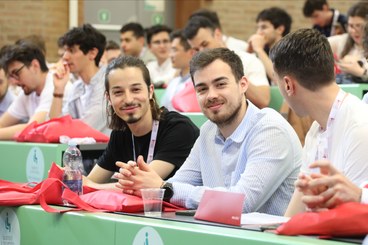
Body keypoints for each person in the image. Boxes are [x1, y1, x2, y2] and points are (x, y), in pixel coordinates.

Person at [116, 48, 302, 215]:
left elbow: (241, 204)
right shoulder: (208, 131)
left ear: (243, 84)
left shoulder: (270, 129)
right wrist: (141, 180)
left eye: (220, 84)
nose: (211, 95)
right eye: (202, 89)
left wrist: (163, 187)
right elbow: (180, 182)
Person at [269, 28, 368, 217]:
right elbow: (294, 214)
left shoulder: (360, 127)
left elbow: (357, 217)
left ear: (288, 85)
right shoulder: (316, 129)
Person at [84, 55, 199, 189]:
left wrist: (90, 186)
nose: (128, 99)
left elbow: (141, 184)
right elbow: (90, 181)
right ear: (109, 98)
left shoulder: (179, 129)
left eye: (136, 89)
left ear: (150, 91)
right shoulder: (120, 133)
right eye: (118, 92)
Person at [183, 16, 270, 109]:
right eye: (196, 49)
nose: (202, 51)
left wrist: (232, 69)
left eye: (205, 44)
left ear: (217, 34)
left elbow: (263, 100)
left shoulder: (248, 60)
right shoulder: (197, 70)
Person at [49, 24, 110, 135]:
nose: (65, 57)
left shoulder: (108, 84)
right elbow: (54, 126)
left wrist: (60, 130)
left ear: (92, 53)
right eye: (65, 51)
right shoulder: (77, 87)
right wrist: (58, 89)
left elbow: (84, 129)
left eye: (72, 51)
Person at [0, 42, 68, 140]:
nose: (14, 82)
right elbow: (2, 123)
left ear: (35, 66)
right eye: (11, 76)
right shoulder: (27, 91)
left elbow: (32, 129)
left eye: (16, 73)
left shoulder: (55, 83)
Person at [247, 7, 292, 84]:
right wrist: (249, 52)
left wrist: (259, 49)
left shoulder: (290, 51)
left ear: (280, 29)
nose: (258, 32)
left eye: (263, 27)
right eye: (258, 28)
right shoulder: (265, 49)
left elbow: (278, 79)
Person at [328, 1, 368, 84]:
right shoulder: (343, 40)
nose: (353, 31)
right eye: (350, 25)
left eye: (358, 26)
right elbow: (319, 44)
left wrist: (361, 72)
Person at [161, 30, 195, 111]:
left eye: (174, 50)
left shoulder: (197, 82)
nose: (170, 55)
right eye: (170, 51)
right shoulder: (173, 82)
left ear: (191, 52)